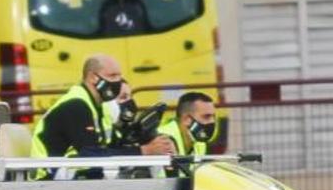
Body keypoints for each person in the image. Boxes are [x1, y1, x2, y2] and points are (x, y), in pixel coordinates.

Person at [30, 54, 175, 179]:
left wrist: (143, 141)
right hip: (49, 176)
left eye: (119, 76)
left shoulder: (100, 105)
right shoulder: (76, 104)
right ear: (93, 77)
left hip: (67, 171)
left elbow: (109, 147)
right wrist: (144, 151)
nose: (117, 82)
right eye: (112, 76)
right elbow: (90, 155)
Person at [158, 91, 217, 157]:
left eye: (213, 116)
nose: (212, 121)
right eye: (206, 116)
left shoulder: (200, 143)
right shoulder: (162, 141)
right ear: (186, 119)